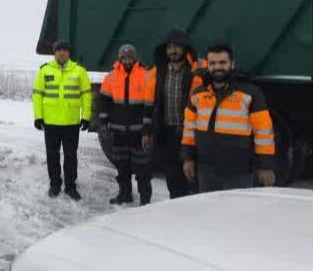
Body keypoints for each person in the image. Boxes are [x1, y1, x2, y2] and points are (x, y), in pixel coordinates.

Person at [182, 44, 276, 191]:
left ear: (232, 64)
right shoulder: (197, 94)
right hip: (206, 170)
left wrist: (265, 166)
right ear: (208, 65)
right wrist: (188, 158)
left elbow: (263, 131)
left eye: (222, 62)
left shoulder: (250, 93)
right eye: (212, 63)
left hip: (239, 173)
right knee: (209, 212)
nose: (217, 67)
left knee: (238, 213)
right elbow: (189, 129)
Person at [142, 29, 206, 199]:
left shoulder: (199, 70)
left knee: (194, 175)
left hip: (192, 132)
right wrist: (147, 131)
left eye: (177, 47)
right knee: (172, 174)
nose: (173, 51)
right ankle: (175, 206)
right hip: (168, 132)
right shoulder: (157, 72)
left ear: (185, 48)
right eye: (169, 47)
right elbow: (149, 103)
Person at [33, 40, 93, 200]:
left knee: (71, 156)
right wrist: (38, 116)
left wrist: (86, 116)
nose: (62, 53)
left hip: (71, 123)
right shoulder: (44, 71)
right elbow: (37, 95)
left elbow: (86, 95)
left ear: (69, 53)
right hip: (50, 123)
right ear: (54, 53)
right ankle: (55, 184)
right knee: (52, 156)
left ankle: (70, 186)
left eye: (65, 50)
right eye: (59, 50)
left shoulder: (79, 71)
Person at [99, 44, 153, 205]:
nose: (127, 60)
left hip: (138, 132)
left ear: (135, 58)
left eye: (130, 57)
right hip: (118, 131)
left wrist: (147, 129)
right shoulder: (111, 76)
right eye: (124, 57)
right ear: (119, 58)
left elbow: (150, 106)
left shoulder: (145, 75)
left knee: (142, 168)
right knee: (122, 167)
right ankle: (125, 194)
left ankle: (145, 198)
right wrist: (103, 124)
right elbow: (104, 102)